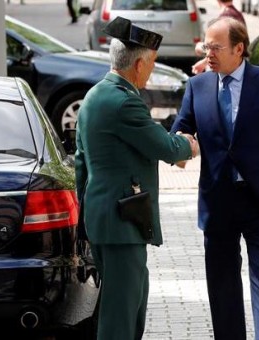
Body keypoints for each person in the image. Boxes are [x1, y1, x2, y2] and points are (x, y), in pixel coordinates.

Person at [171, 17, 259, 340]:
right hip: (218, 202)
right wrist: (180, 147)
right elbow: (180, 128)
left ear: (239, 48)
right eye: (207, 46)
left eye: (217, 47)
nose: (209, 53)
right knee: (222, 286)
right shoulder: (197, 86)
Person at [74, 16, 199, 340]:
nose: (152, 70)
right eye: (153, 63)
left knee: (127, 307)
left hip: (104, 219)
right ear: (140, 64)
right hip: (121, 221)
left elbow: (81, 165)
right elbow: (166, 147)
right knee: (121, 317)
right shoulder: (124, 102)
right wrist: (190, 145)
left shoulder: (94, 96)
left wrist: (84, 221)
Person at [190, 0, 245, 75]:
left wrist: (201, 48)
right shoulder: (237, 14)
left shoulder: (226, 18)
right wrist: (204, 62)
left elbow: (221, 47)